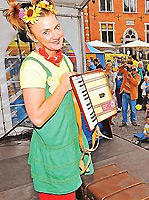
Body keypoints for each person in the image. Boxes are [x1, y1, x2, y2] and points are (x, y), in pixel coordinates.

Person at [4, 1, 93, 198]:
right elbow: (37, 118)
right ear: (32, 36)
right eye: (45, 32)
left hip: (71, 145)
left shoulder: (65, 59)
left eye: (57, 27)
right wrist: (62, 87)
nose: (56, 35)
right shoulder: (32, 66)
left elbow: (70, 103)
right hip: (54, 154)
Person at [119, 62, 141, 127]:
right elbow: (120, 69)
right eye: (132, 69)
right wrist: (124, 65)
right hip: (125, 94)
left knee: (133, 110)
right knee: (124, 109)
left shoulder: (138, 76)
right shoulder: (126, 73)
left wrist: (130, 76)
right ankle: (124, 121)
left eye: (134, 70)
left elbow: (135, 83)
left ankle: (133, 121)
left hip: (133, 95)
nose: (133, 71)